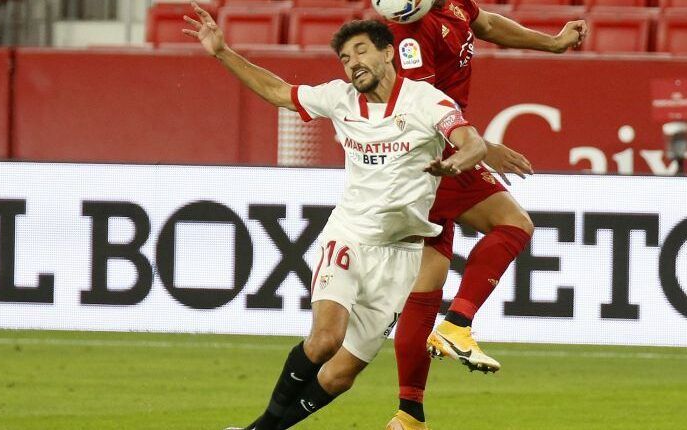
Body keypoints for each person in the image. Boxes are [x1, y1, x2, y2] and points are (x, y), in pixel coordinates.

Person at [182, 3, 489, 429]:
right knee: (326, 339)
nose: (352, 64)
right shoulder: (339, 99)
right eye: (345, 58)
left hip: (400, 256)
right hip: (348, 238)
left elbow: (471, 142)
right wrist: (222, 52)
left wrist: (458, 162)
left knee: (341, 375)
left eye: (361, 52)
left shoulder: (427, 101)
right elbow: (277, 92)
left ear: (388, 53)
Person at [385, 1, 588, 429]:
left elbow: (490, 24)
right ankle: (458, 323)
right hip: (433, 153)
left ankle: (409, 414)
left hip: (438, 151)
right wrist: (479, 146)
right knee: (513, 224)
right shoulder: (410, 34)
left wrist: (551, 44)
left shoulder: (452, 4)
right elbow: (420, 107)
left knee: (428, 279)